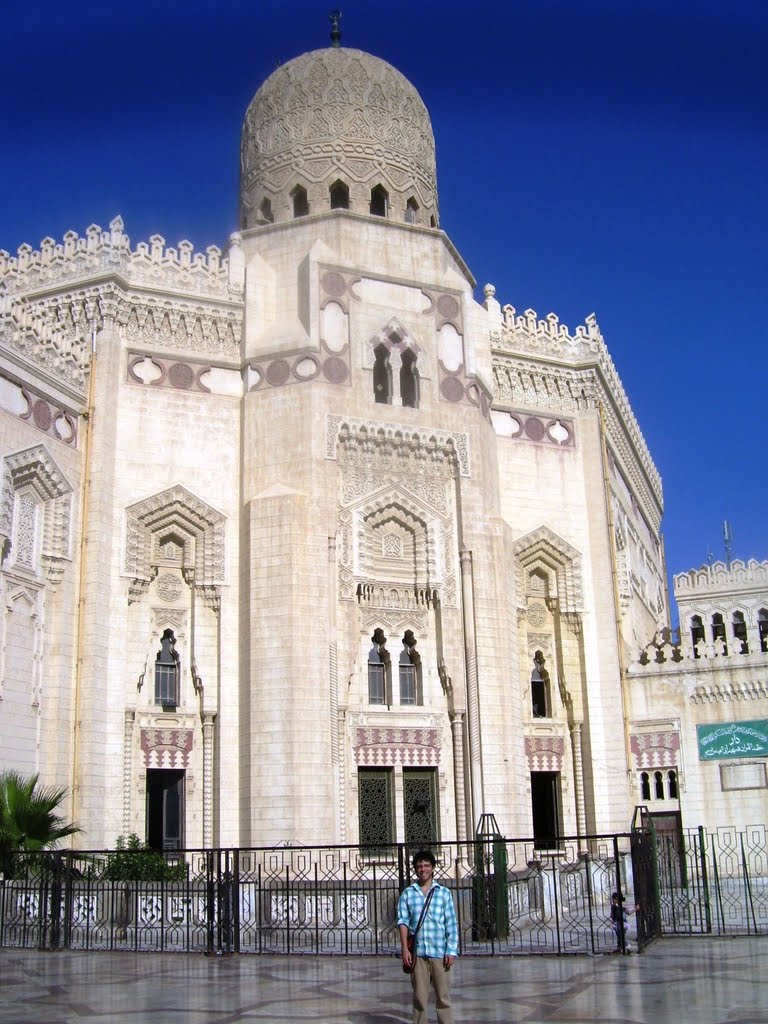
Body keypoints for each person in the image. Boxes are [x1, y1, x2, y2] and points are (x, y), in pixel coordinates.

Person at [397, 849, 459, 1024]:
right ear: (415, 869)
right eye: (419, 866)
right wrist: (404, 949)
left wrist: (451, 950)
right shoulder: (408, 893)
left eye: (426, 865)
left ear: (432, 868)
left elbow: (451, 924)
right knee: (419, 998)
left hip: (439, 952)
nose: (423, 869)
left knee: (443, 997)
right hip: (418, 953)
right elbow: (403, 922)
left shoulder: (443, 893)